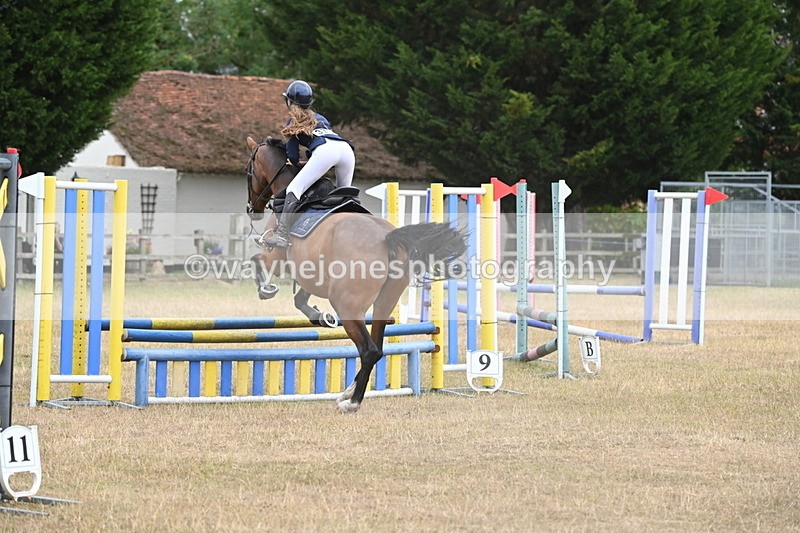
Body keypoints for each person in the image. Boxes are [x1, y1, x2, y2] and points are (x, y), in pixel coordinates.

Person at [260, 80, 356, 249]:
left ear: (289, 102)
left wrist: (302, 160)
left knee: (293, 190)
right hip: (347, 151)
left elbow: (293, 158)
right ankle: (354, 227)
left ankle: (282, 234)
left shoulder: (292, 122)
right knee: (344, 196)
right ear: (309, 102)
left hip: (326, 152)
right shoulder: (322, 118)